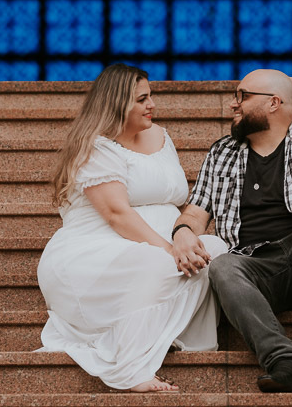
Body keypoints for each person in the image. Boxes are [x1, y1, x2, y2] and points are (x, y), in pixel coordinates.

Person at [170, 69, 292, 393]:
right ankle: (284, 361)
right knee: (222, 266)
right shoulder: (222, 152)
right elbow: (195, 212)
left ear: (273, 103)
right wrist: (182, 232)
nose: (233, 104)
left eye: (243, 96)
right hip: (256, 270)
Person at [37, 63, 227, 392]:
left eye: (150, 96)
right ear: (117, 103)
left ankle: (163, 333)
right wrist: (170, 250)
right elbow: (117, 214)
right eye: (141, 99)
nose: (151, 104)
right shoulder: (95, 147)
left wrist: (184, 238)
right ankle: (131, 367)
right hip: (97, 252)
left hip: (160, 243)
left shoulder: (160, 135)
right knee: (158, 263)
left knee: (216, 250)